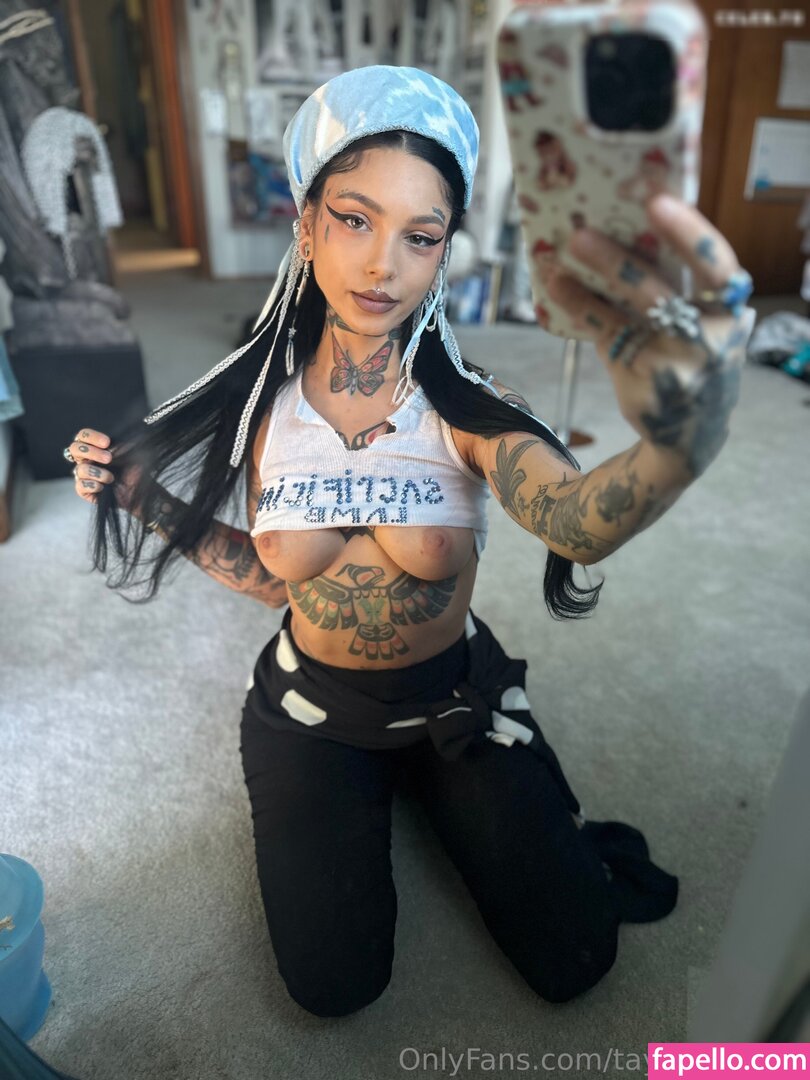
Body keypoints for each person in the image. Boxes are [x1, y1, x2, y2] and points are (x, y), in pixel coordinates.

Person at [64, 66, 754, 1017]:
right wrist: (145, 500)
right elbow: (274, 579)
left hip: (451, 697)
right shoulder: (265, 406)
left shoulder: (468, 410)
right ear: (307, 226)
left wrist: (677, 444)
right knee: (332, 985)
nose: (383, 264)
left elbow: (573, 519)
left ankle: (441, 783)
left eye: (419, 237)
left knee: (577, 956)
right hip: (312, 710)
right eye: (355, 219)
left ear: (443, 253)